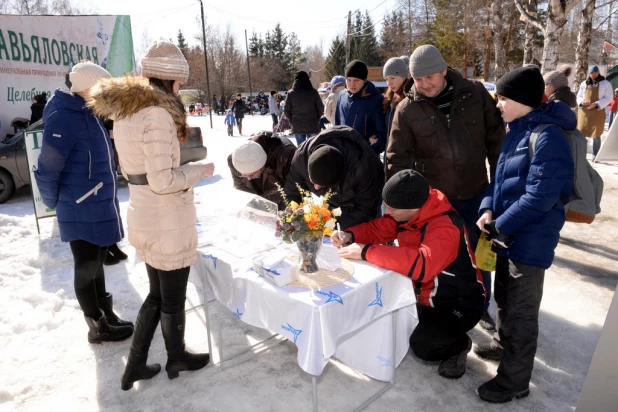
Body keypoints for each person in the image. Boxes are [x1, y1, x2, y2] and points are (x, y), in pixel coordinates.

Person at [89, 40, 215, 390]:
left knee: (158, 295)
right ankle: (173, 358)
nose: (181, 90)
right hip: (165, 217)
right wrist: (198, 171)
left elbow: (145, 171)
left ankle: (139, 364)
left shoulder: (130, 111)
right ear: (170, 81)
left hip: (145, 211)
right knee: (169, 297)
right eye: (180, 83)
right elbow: (163, 180)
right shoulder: (158, 114)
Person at [386, 45, 505, 330]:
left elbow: (497, 142)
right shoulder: (407, 109)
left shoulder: (475, 94)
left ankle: (481, 305)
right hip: (436, 203)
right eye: (418, 78)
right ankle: (441, 305)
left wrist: (498, 190)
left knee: (477, 255)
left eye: (430, 76)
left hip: (476, 194)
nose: (425, 84)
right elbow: (397, 159)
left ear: (443, 70)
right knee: (440, 257)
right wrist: (404, 202)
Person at [474, 66, 575, 403]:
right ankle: (503, 346)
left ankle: (514, 381)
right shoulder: (515, 131)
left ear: (523, 99)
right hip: (507, 236)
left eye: (503, 98)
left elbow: (540, 197)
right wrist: (488, 209)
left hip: (530, 241)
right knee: (504, 297)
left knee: (521, 312)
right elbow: (498, 182)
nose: (498, 104)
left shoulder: (548, 137)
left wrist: (502, 224)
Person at [332, 170, 485, 378]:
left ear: (415, 207)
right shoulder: (407, 213)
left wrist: (366, 251)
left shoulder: (445, 226)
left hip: (456, 303)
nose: (387, 211)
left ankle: (459, 344)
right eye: (386, 204)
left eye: (392, 208)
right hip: (421, 295)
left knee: (424, 345)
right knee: (377, 314)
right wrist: (351, 235)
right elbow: (379, 229)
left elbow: (423, 265)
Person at [35, 62, 134, 345]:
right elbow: (48, 166)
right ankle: (97, 326)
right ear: (87, 86)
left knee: (97, 263)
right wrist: (54, 202)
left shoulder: (87, 112)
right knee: (86, 266)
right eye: (102, 86)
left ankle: (106, 314)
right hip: (80, 205)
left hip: (95, 202)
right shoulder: (65, 116)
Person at [284, 126, 383, 229]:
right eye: (312, 181)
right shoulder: (301, 158)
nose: (316, 188)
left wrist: (331, 226)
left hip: (365, 200)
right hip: (337, 201)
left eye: (322, 185)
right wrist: (295, 218)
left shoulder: (363, 168)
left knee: (370, 234)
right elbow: (292, 192)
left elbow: (365, 210)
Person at [228, 131, 296, 209]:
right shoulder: (235, 159)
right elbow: (241, 188)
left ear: (263, 165)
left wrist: (279, 213)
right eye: (243, 175)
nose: (249, 178)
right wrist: (254, 209)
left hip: (284, 206)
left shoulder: (286, 156)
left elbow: (295, 191)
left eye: (252, 174)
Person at [335, 60, 387, 154]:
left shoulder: (375, 99)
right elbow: (337, 125)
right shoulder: (342, 96)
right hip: (344, 154)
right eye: (349, 80)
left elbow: (382, 134)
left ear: (364, 80)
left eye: (356, 80)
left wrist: (372, 149)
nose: (352, 84)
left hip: (365, 157)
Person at [382, 56, 412, 176]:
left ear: (404, 76)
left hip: (405, 160)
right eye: (386, 79)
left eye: (393, 78)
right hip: (389, 154)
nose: (389, 83)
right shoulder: (389, 99)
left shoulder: (410, 99)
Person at [576, 65, 613, 158]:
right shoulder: (584, 83)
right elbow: (579, 96)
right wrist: (582, 102)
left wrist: (596, 104)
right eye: (592, 73)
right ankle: (581, 155)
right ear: (589, 73)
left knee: (596, 134)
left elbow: (609, 98)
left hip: (597, 113)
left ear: (598, 72)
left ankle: (596, 155)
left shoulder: (606, 84)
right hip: (584, 113)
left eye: (595, 72)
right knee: (581, 135)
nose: (594, 74)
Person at [283, 71, 323, 146]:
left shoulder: (291, 93)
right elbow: (320, 108)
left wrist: (292, 121)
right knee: (313, 149)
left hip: (298, 126)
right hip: (313, 125)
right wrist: (316, 119)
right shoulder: (314, 92)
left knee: (301, 150)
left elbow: (286, 110)